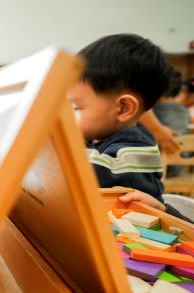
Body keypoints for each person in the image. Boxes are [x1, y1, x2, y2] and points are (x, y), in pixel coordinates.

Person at [69, 33, 190, 221]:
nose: (70, 116)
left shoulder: (137, 142)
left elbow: (99, 174)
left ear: (124, 108)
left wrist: (56, 148)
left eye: (77, 107)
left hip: (143, 238)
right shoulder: (96, 137)